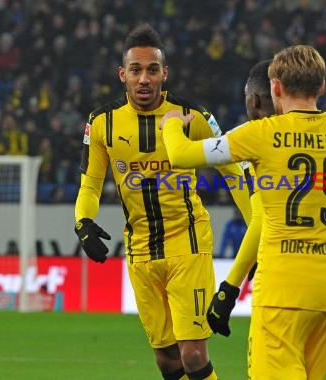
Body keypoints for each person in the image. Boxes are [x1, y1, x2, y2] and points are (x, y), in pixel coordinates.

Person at [160, 45, 326, 379]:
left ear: (275, 87)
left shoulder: (259, 135)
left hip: (283, 288)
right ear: (322, 87)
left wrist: (171, 124)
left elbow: (182, 155)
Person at [73, 23, 252, 380]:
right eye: (136, 70)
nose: (144, 79)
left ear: (164, 74)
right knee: (167, 361)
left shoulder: (193, 117)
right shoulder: (102, 123)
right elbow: (91, 185)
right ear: (122, 74)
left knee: (193, 355)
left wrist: (256, 230)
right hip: (140, 250)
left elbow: (233, 174)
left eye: (152, 70)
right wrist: (83, 222)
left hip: (188, 243)